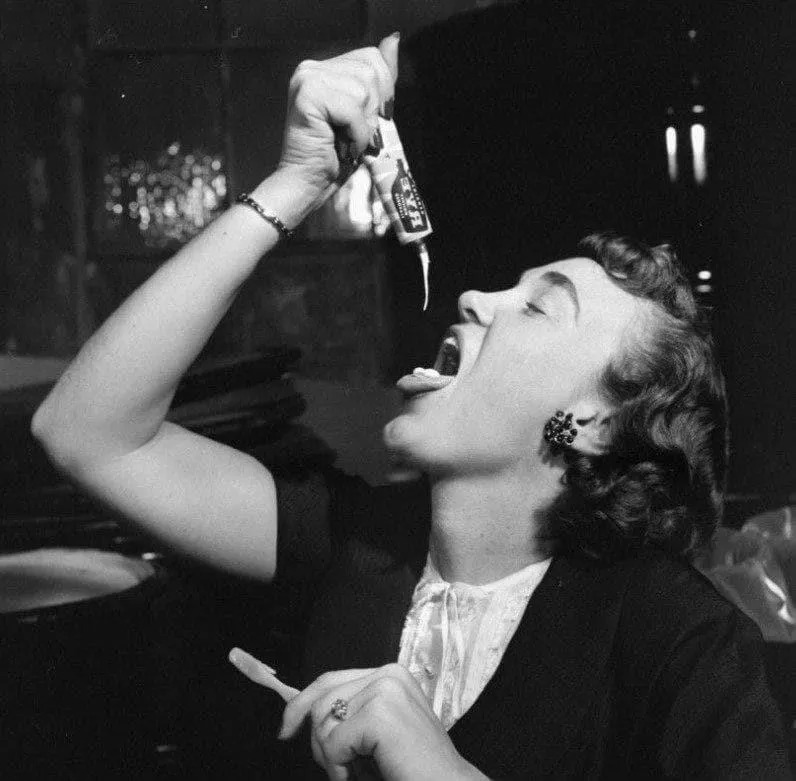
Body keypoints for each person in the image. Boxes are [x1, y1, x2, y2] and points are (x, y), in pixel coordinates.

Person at [32, 35, 789, 780]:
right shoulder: (358, 542)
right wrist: (295, 183)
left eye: (536, 308)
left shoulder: (682, 640)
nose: (475, 296)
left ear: (593, 423)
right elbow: (86, 433)